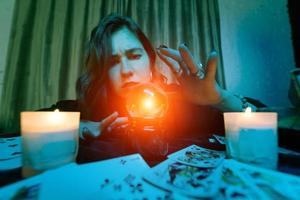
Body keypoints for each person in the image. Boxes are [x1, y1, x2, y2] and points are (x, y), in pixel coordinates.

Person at [47, 14, 262, 163]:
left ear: (150, 61)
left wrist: (221, 100)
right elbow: (39, 125)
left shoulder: (185, 103)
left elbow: (262, 129)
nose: (126, 70)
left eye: (134, 56)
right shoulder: (91, 110)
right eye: (112, 62)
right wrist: (84, 128)